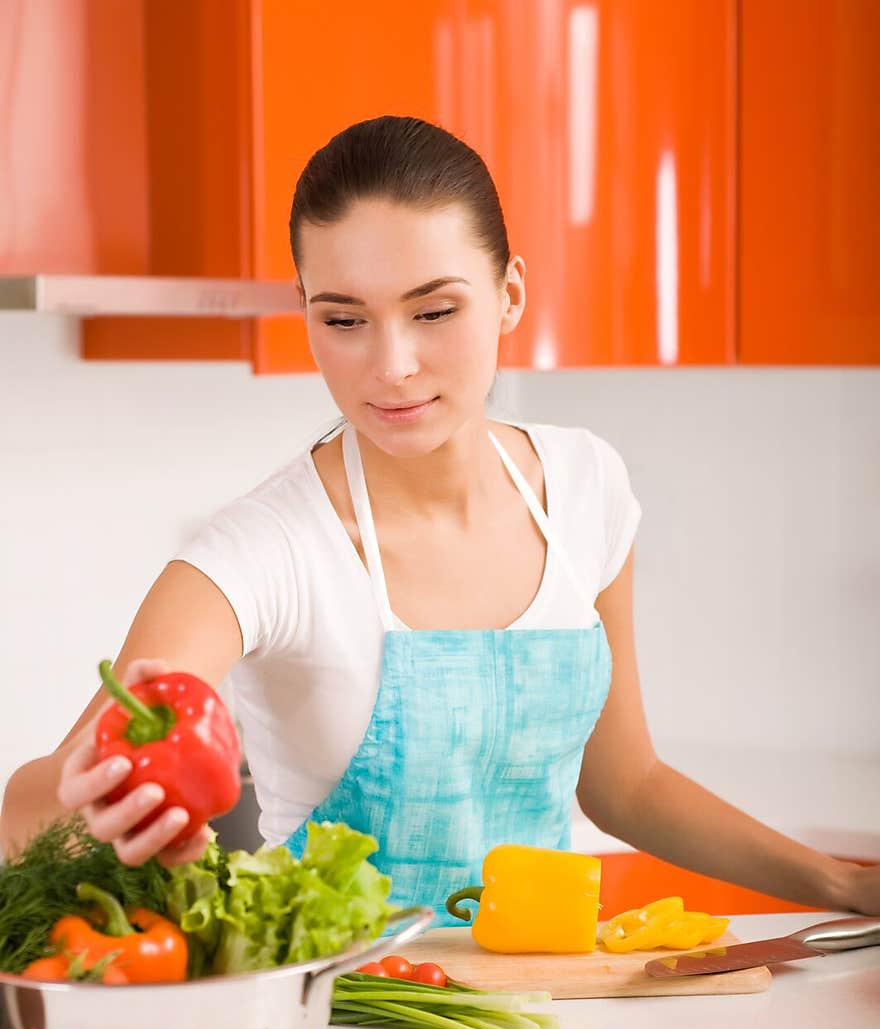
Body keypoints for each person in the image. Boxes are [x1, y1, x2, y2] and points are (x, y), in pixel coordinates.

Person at [1, 115, 877, 926]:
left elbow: (626, 785)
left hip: (543, 1015)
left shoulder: (586, 488)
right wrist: (88, 799)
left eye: (434, 311)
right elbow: (23, 818)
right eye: (343, 319)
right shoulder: (260, 552)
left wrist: (838, 884)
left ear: (509, 295)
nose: (392, 365)